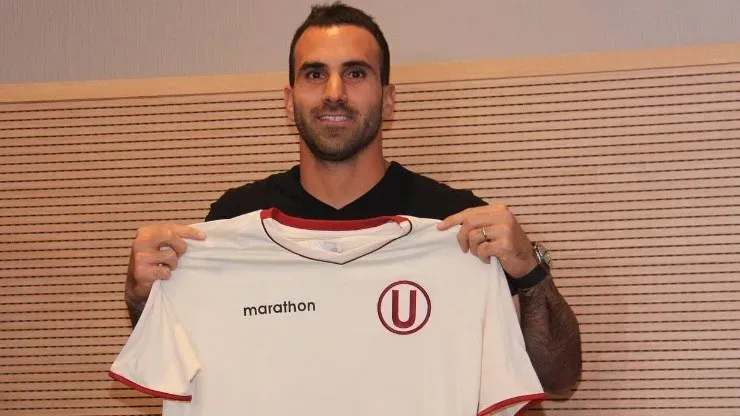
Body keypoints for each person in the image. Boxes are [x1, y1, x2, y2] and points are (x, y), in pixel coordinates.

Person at [124, 2, 581, 396]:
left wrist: (530, 272)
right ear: (288, 101)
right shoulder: (231, 222)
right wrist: (145, 295)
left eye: (355, 73)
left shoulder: (453, 223)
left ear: (389, 100)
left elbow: (556, 378)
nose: (334, 93)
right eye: (315, 74)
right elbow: (179, 366)